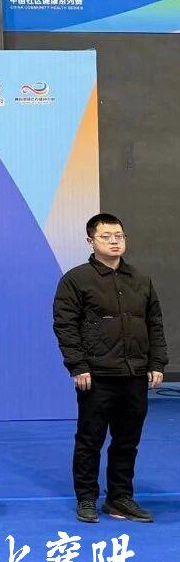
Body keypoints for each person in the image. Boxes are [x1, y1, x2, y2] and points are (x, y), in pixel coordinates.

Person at [54, 212, 167, 524]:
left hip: (135, 374)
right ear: (90, 241)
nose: (114, 241)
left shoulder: (141, 280)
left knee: (127, 441)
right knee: (90, 439)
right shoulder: (76, 280)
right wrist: (77, 365)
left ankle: (119, 498)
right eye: (106, 237)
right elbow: (65, 326)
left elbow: (155, 324)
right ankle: (86, 497)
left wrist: (157, 362)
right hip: (97, 375)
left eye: (119, 236)